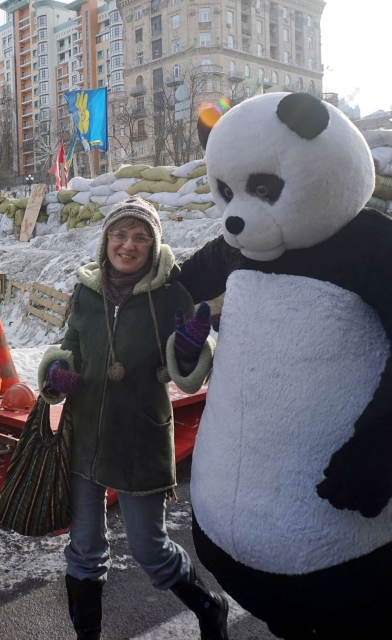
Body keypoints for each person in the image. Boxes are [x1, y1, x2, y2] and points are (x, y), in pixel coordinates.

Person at [37, 196, 229, 640]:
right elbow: (70, 346)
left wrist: (186, 351)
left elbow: (180, 370)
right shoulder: (86, 290)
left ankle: (209, 606)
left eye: (141, 237)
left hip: (141, 434)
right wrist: (58, 372)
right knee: (83, 550)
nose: (128, 245)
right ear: (106, 240)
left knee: (150, 549)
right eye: (120, 234)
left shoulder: (171, 294)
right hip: (86, 433)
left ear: (153, 244)